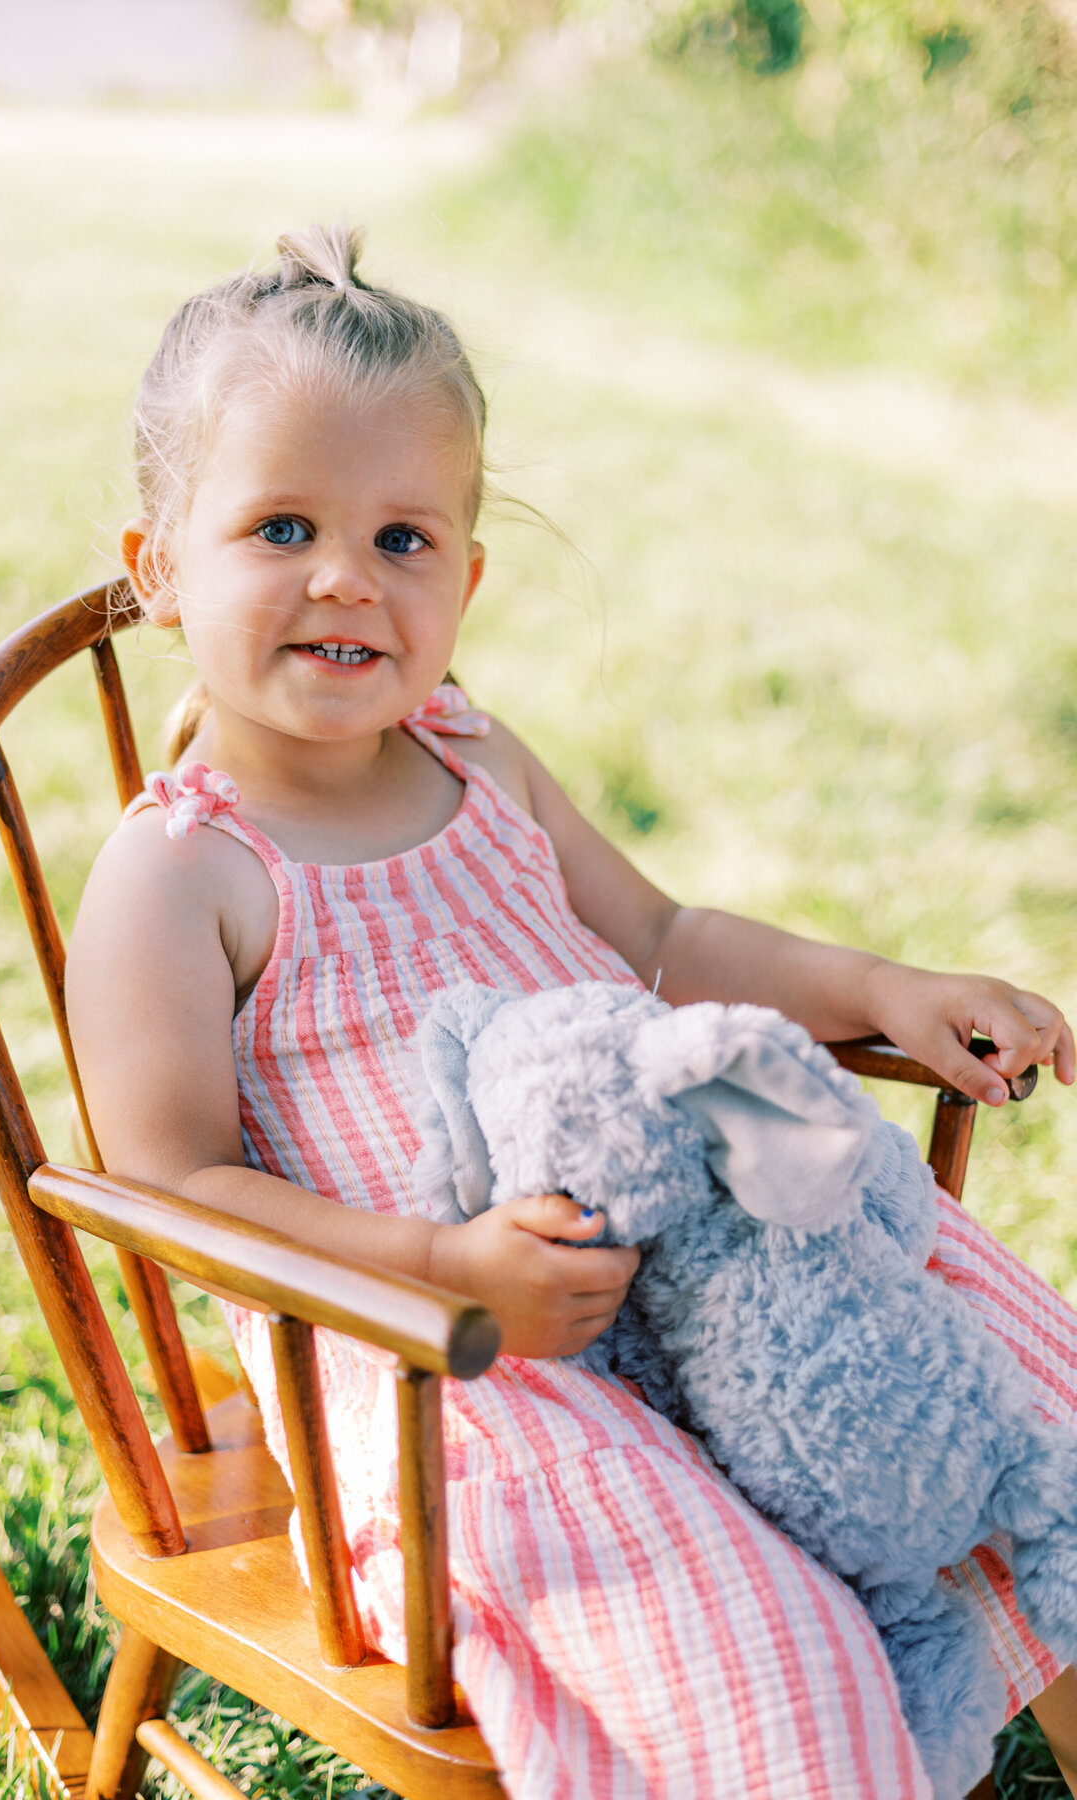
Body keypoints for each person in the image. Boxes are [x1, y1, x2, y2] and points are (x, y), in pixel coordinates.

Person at [66, 223, 1077, 1799]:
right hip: (448, 1361)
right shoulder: (184, 870)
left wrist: (886, 990)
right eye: (279, 526)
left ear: (465, 580)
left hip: (718, 1251)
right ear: (157, 571)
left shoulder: (474, 752)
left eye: (403, 539)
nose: (347, 574)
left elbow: (665, 938)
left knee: (1032, 1399)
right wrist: (446, 1274)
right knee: (763, 1650)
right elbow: (171, 1189)